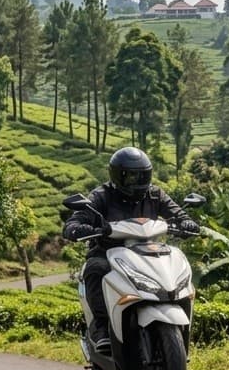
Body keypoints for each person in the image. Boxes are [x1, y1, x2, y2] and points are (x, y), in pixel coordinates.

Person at [63, 146, 200, 354]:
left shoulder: (155, 194)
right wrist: (77, 227)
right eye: (130, 176)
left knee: (176, 262)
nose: (137, 181)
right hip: (108, 251)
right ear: (117, 175)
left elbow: (177, 212)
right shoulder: (102, 196)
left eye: (142, 175)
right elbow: (77, 219)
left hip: (148, 250)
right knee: (94, 268)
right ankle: (101, 329)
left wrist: (187, 223)